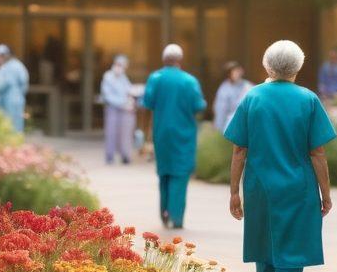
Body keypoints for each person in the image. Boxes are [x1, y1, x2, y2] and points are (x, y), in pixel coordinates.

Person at [225, 40, 337, 272]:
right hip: (298, 190)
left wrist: (234, 191)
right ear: (298, 68)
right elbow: (317, 153)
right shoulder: (308, 100)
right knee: (292, 255)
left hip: (260, 187)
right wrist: (325, 193)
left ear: (267, 66)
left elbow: (239, 150)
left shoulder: (253, 98)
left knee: (264, 246)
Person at [140, 44, 206, 230]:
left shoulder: (155, 78)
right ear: (180, 59)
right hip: (184, 134)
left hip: (161, 133)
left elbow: (147, 103)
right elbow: (199, 105)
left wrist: (146, 132)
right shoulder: (189, 81)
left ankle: (164, 212)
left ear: (164, 59)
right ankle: (177, 217)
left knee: (164, 172)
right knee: (180, 173)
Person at [101, 54, 136, 165]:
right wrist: (122, 104)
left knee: (125, 134)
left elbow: (128, 89)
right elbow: (107, 95)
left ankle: (125, 155)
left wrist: (131, 98)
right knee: (111, 132)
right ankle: (109, 156)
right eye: (120, 65)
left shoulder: (123, 77)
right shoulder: (108, 76)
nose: (121, 68)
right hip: (112, 109)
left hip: (124, 110)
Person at [0, 44, 29, 132]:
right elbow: (24, 83)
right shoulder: (16, 66)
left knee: (10, 125)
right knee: (14, 124)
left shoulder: (8, 67)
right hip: (16, 99)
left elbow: (0, 86)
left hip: (8, 101)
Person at [213, 61, 252, 134]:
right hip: (228, 127)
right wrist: (218, 129)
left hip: (246, 126)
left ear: (241, 71)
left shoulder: (248, 87)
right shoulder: (224, 88)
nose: (235, 74)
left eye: (236, 71)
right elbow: (220, 110)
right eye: (231, 72)